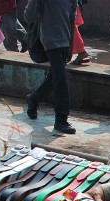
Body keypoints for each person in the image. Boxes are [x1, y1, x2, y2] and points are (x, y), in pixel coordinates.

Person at [24, 0, 78, 135]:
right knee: (60, 79)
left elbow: (72, 17)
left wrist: (71, 45)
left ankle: (33, 99)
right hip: (49, 40)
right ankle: (61, 119)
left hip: (65, 39)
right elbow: (28, 16)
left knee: (54, 77)